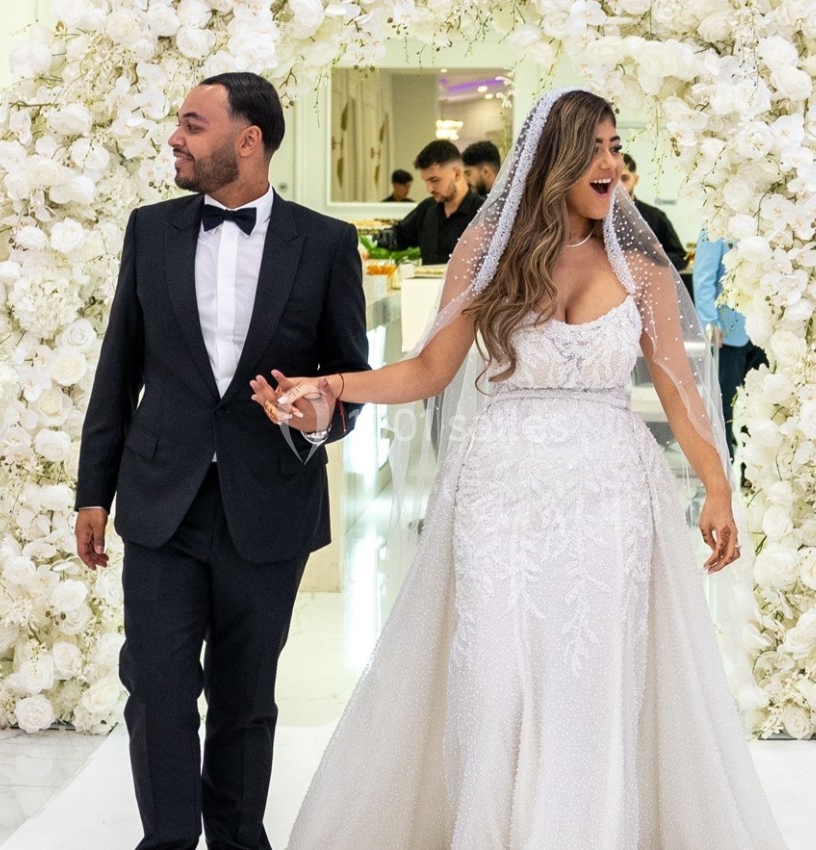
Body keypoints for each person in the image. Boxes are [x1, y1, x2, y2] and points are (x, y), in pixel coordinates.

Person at [250, 89, 786, 849]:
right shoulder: (485, 255)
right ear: (553, 159)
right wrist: (333, 386)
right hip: (498, 489)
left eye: (615, 146)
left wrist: (718, 487)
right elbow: (428, 369)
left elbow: (679, 390)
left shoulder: (642, 270)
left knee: (591, 672)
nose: (611, 163)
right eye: (595, 147)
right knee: (494, 673)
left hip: (609, 492)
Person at [74, 72, 370, 850]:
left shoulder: (326, 244)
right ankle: (167, 842)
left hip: (268, 503)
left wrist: (319, 414)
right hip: (161, 501)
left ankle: (240, 841)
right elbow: (118, 368)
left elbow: (349, 379)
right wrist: (92, 492)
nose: (175, 138)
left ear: (249, 140)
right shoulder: (151, 230)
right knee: (156, 688)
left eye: (193, 125)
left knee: (246, 699)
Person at [694, 233, 768, 460]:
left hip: (764, 333)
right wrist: (710, 322)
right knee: (724, 405)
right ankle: (725, 464)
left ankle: (754, 468)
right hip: (727, 335)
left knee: (762, 405)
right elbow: (703, 278)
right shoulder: (715, 229)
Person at [374, 140, 484, 264]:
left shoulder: (484, 213)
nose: (429, 189)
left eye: (435, 180)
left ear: (457, 174)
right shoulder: (427, 209)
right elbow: (401, 235)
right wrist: (389, 236)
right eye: (426, 181)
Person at [621, 151, 687, 271]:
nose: (619, 185)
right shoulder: (596, 216)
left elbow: (680, 257)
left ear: (635, 179)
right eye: (613, 180)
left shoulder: (655, 216)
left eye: (624, 178)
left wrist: (649, 262)